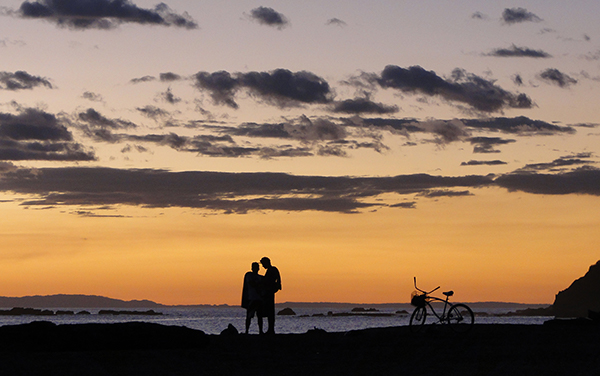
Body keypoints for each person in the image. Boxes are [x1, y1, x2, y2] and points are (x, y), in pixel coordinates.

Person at [260, 257, 281, 335]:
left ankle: (271, 329)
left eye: (263, 264)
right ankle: (270, 329)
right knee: (269, 311)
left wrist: (276, 287)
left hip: (269, 292)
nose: (262, 266)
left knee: (270, 311)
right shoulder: (270, 270)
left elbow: (277, 279)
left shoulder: (273, 269)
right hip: (268, 292)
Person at [241, 262, 264, 334]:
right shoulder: (249, 275)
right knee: (249, 316)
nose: (257, 269)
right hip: (251, 298)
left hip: (259, 299)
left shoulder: (260, 277)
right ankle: (247, 331)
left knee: (260, 316)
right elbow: (252, 284)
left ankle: (260, 331)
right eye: (255, 267)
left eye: (257, 267)